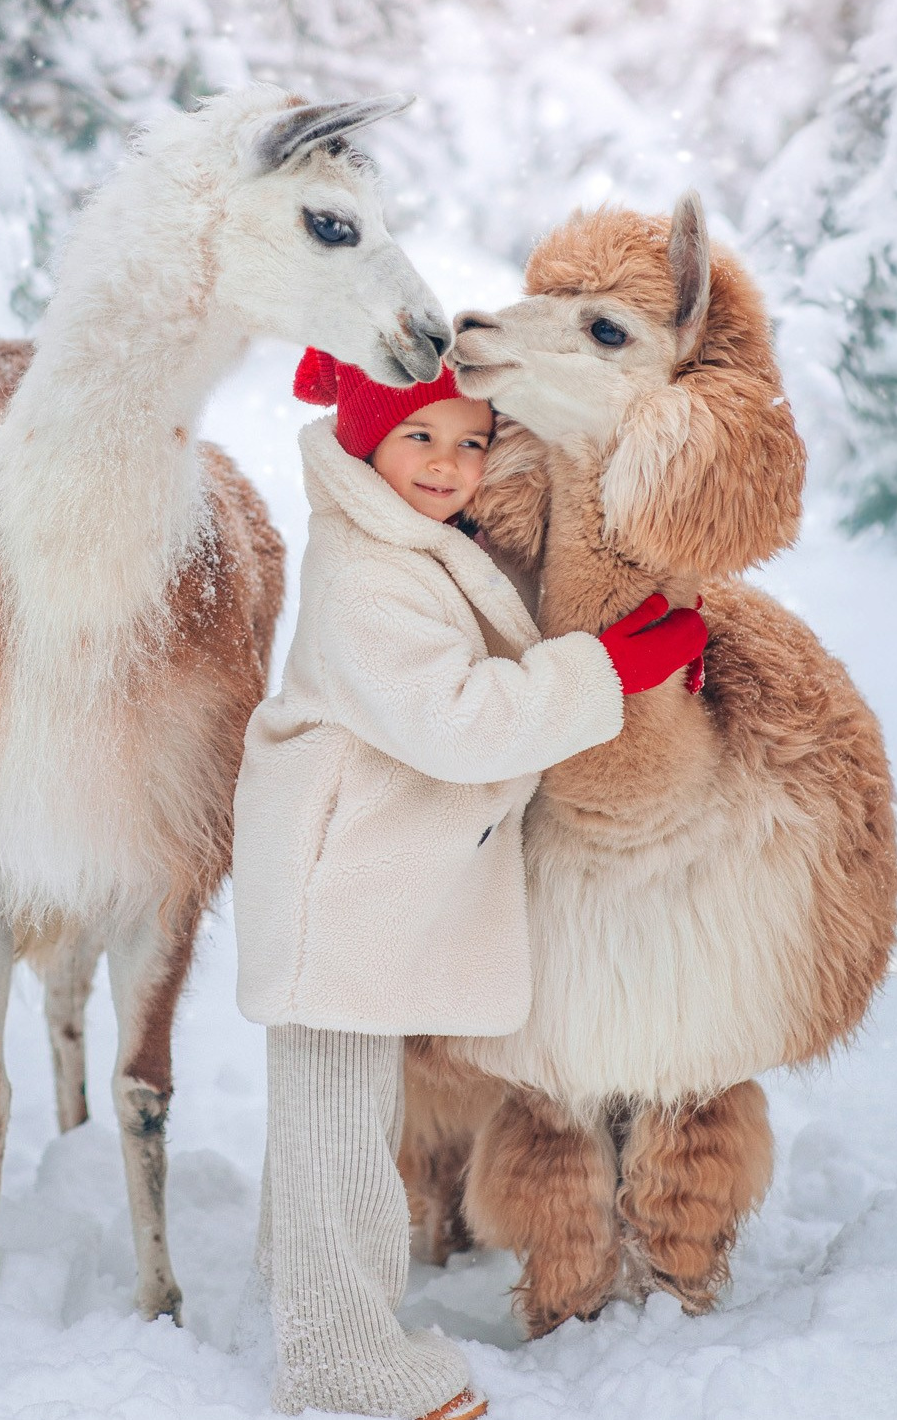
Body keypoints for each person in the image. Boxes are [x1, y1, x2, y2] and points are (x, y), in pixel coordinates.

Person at [233, 348, 706, 1420]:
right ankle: (338, 1365)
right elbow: (452, 721)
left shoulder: (414, 544)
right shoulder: (364, 572)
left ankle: (293, 1291)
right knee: (342, 1137)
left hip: (359, 875)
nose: (448, 463)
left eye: (469, 440)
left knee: (327, 1123)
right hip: (335, 881)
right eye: (419, 437)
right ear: (365, 442)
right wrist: (601, 673)